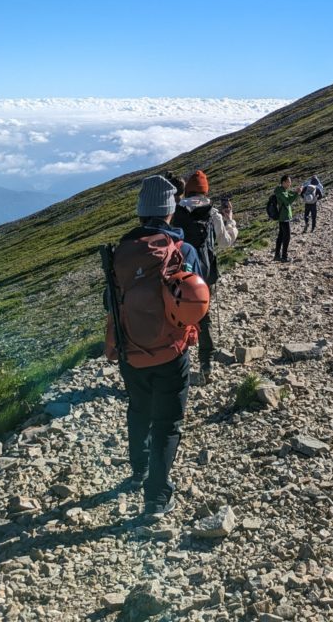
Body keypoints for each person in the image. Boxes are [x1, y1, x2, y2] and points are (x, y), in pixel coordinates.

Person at [107, 174, 202, 521]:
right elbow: (198, 296)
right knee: (168, 422)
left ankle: (138, 470)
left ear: (140, 212)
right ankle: (157, 498)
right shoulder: (183, 250)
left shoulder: (121, 253)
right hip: (173, 350)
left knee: (139, 409)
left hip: (131, 350)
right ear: (169, 211)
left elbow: (110, 300)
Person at [172, 169, 238, 385]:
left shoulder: (176, 212)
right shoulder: (213, 214)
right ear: (205, 191)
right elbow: (225, 242)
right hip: (204, 275)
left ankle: (175, 364)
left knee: (177, 318)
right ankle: (206, 364)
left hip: (178, 274)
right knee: (204, 318)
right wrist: (231, 221)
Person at [273, 174, 300, 262]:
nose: (290, 184)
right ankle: (284, 256)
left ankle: (277, 255)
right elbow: (288, 201)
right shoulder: (281, 192)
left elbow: (289, 196)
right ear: (283, 182)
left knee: (281, 236)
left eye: (290, 182)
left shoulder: (284, 190)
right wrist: (297, 193)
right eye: (288, 182)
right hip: (283, 217)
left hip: (284, 216)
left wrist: (296, 192)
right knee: (287, 236)